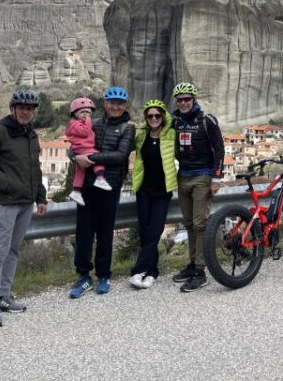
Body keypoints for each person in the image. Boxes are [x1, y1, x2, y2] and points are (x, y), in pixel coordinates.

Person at [0, 89, 48, 328]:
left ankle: (4, 297)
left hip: (26, 203)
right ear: (13, 109)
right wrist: (6, 184)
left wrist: (41, 196)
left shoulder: (31, 136)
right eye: (21, 107)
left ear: (34, 112)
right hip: (4, 203)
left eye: (30, 108)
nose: (26, 112)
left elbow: (34, 168)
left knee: (12, 251)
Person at [69, 86, 134, 298]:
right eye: (111, 102)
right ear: (105, 103)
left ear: (124, 106)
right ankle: (83, 276)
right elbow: (75, 145)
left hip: (110, 185)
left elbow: (120, 155)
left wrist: (89, 159)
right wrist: (73, 156)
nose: (115, 106)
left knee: (105, 232)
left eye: (120, 103)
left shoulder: (128, 127)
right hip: (88, 184)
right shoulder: (93, 123)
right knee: (84, 231)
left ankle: (104, 275)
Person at [170, 82, 224, 293]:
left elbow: (219, 148)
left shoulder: (206, 120)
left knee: (200, 224)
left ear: (193, 99)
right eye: (180, 99)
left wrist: (217, 177)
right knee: (189, 223)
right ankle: (192, 264)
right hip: (182, 177)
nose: (183, 103)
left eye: (187, 99)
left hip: (202, 176)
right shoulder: (175, 121)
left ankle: (200, 272)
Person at [129, 99, 177, 289]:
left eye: (158, 115)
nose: (154, 118)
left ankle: (137, 271)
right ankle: (152, 271)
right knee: (145, 232)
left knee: (154, 232)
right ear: (146, 118)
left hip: (162, 192)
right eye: (150, 116)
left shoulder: (171, 134)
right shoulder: (141, 135)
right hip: (143, 190)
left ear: (163, 117)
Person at [65, 97, 112, 206]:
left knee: (80, 171)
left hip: (81, 148)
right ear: (75, 113)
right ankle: (100, 178)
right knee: (97, 158)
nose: (86, 115)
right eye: (83, 112)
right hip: (84, 148)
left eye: (88, 112)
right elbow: (85, 132)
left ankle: (76, 191)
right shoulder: (75, 124)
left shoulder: (79, 123)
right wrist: (88, 122)